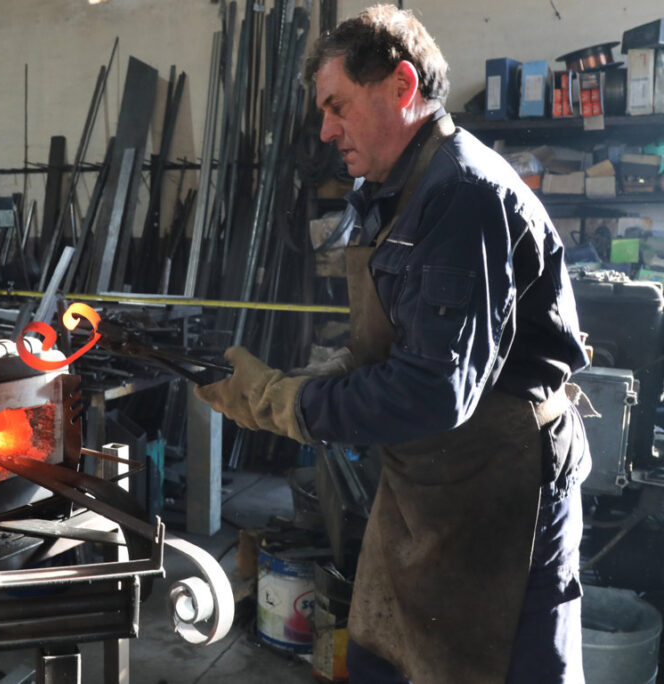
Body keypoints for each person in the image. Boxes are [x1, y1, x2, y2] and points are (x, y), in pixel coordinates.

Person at [195, 5, 591, 683]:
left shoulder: (461, 193)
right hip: (431, 480)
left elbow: (435, 387)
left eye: (337, 106)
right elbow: (412, 338)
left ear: (402, 87)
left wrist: (288, 404)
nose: (326, 129)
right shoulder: (399, 189)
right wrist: (331, 372)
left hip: (502, 489)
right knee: (381, 657)